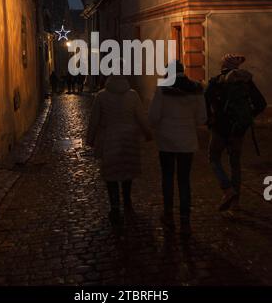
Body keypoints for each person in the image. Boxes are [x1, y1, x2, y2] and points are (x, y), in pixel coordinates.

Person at [149, 61, 206, 236]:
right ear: (183, 71)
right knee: (184, 180)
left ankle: (168, 213)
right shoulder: (196, 89)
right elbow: (202, 118)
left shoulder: (162, 90)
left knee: (167, 177)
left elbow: (153, 116)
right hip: (187, 142)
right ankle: (185, 217)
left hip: (166, 141)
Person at [87, 72, 152, 226]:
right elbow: (141, 116)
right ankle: (128, 201)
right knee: (127, 171)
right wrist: (148, 133)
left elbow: (94, 119)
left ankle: (115, 206)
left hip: (110, 138)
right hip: (129, 138)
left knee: (111, 175)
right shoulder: (133, 95)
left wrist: (90, 139)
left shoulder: (101, 96)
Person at [205, 54, 267, 212]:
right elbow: (261, 103)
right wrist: (247, 117)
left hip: (220, 128)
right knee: (235, 164)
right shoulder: (246, 82)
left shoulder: (216, 81)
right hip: (238, 129)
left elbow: (205, 102)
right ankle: (235, 205)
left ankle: (227, 189)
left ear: (223, 65)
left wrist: (210, 119)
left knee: (213, 157)